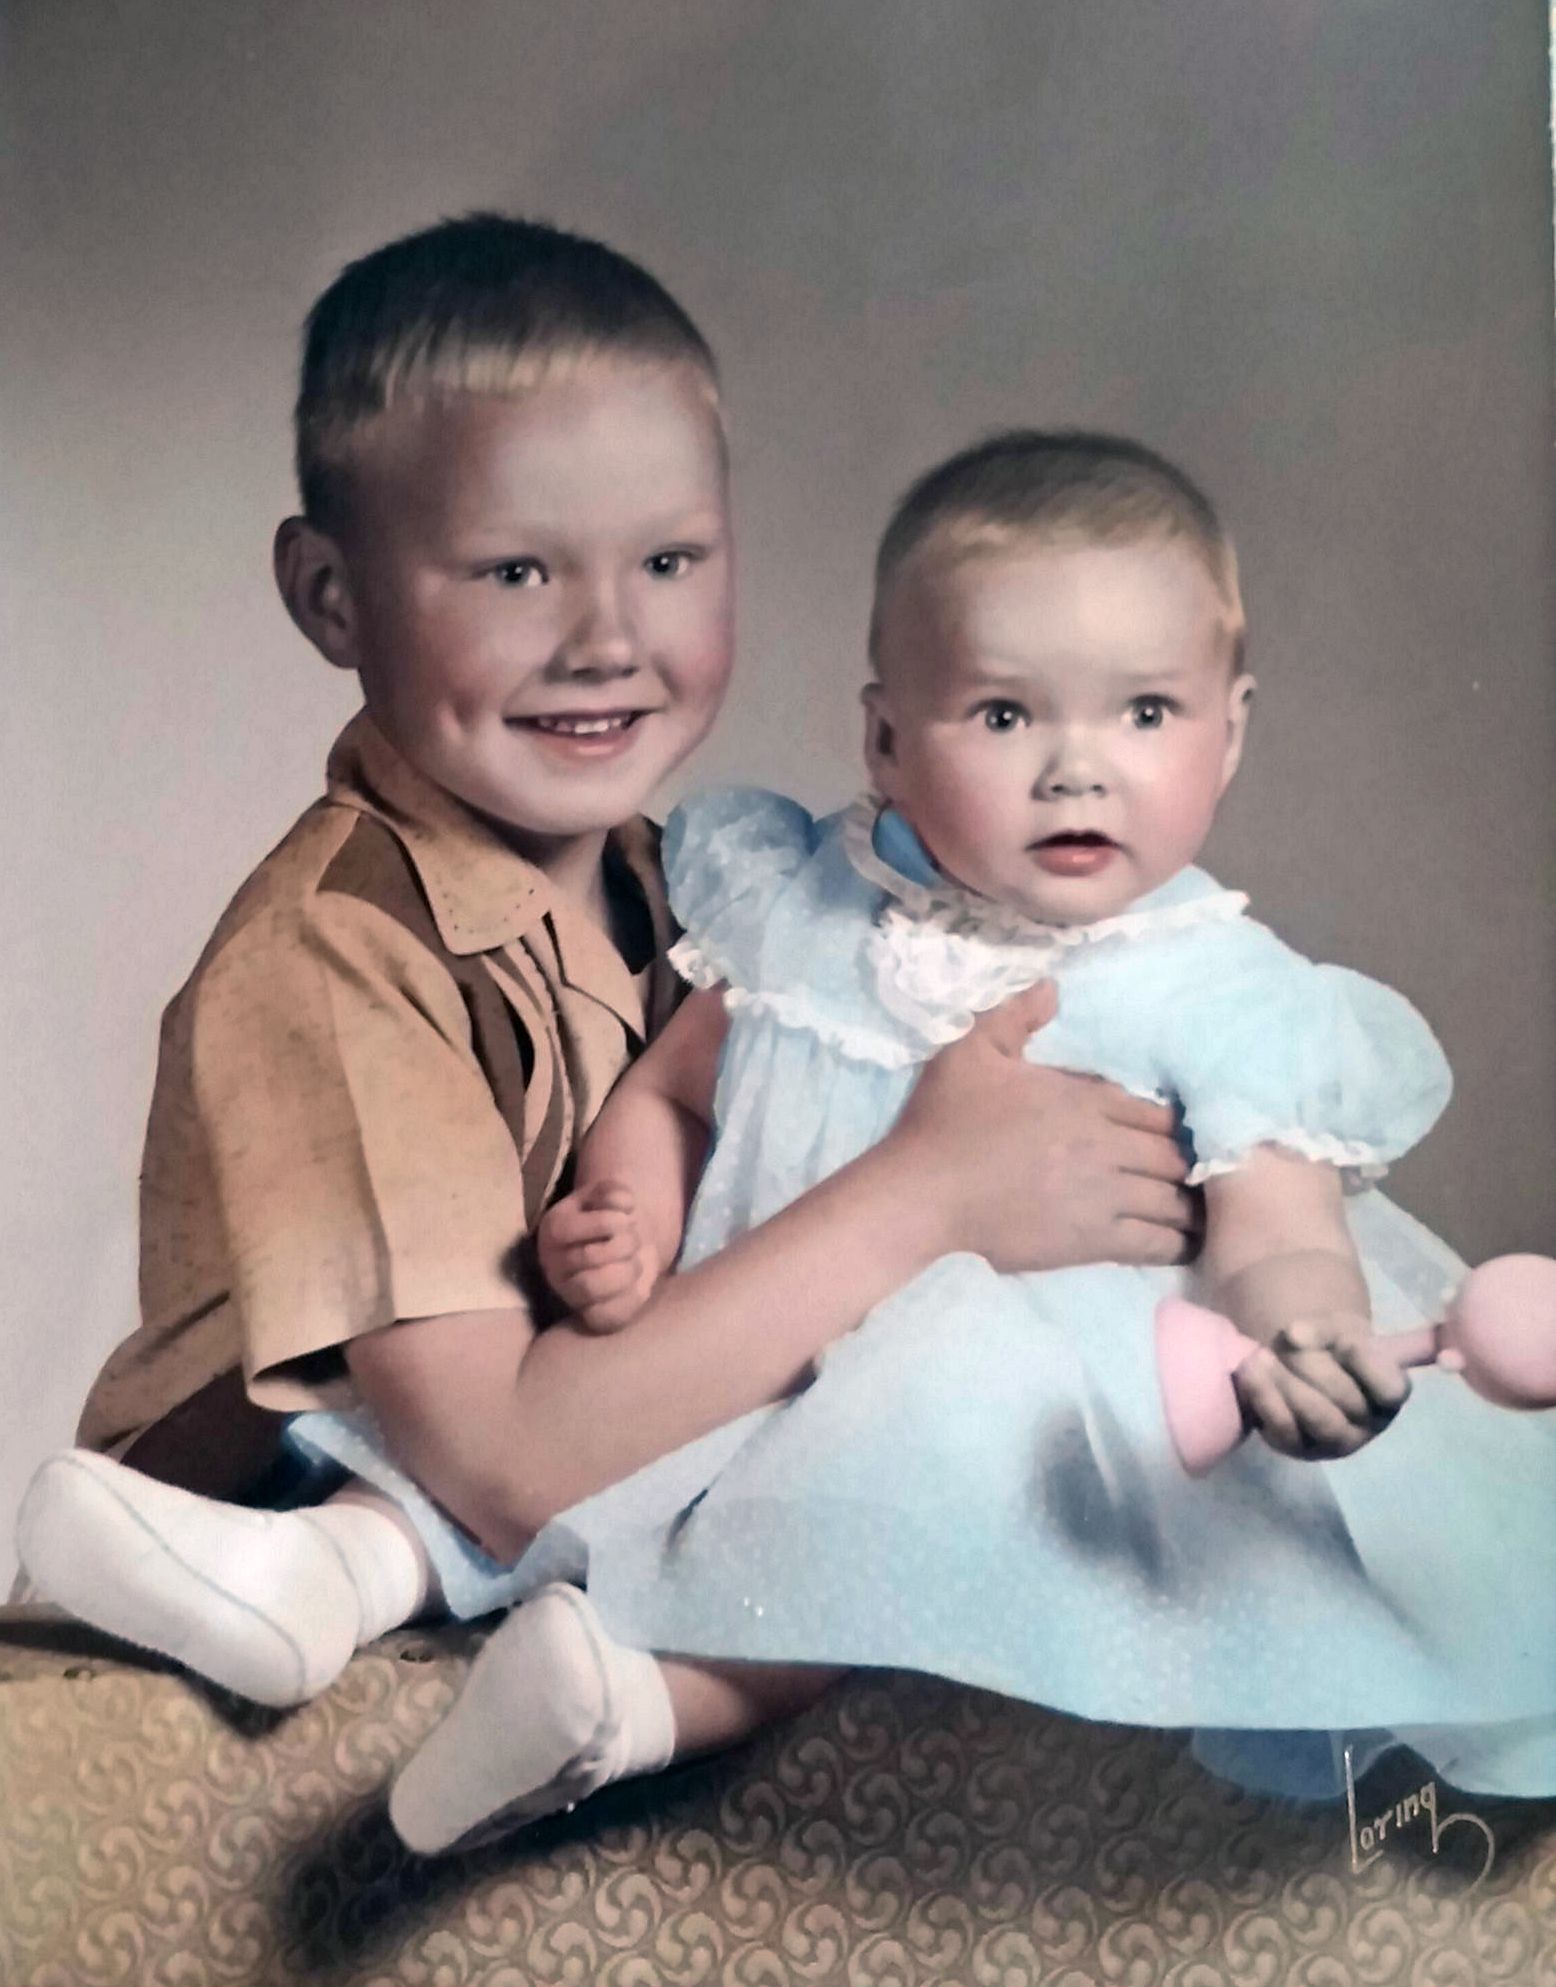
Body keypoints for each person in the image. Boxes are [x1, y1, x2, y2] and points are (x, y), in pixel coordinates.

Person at [15, 228, 1199, 1732]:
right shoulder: (339, 949)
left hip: (622, 1463)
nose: (606, 640)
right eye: (515, 569)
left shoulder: (698, 882)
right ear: (331, 596)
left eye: (668, 560)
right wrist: (930, 1195)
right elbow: (501, 1461)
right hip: (337, 1534)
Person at [382, 430, 1556, 1854]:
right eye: (1005, 717)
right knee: (566, 1455)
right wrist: (622, 1209)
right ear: (886, 738)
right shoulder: (809, 903)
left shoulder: (1225, 987)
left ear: (1229, 732)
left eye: (1144, 714)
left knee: (862, 1518)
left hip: (1008, 1414)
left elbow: (1282, 1225)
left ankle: (612, 1715)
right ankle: (323, 1575)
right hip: (757, 1341)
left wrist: (1307, 1338)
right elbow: (677, 1091)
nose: (1078, 772)